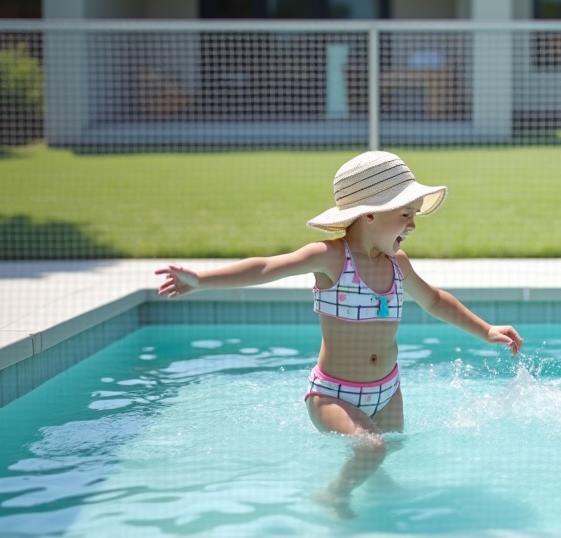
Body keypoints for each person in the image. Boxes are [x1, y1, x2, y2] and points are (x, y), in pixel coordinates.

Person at [155, 151, 523, 518]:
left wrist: (486, 329)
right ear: (370, 214)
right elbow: (267, 267)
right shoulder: (332, 258)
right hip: (334, 395)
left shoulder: (398, 264)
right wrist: (201, 281)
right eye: (405, 215)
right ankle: (333, 494)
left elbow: (435, 301)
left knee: (389, 447)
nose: (412, 225)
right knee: (372, 449)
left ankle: (379, 492)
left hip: (387, 389)